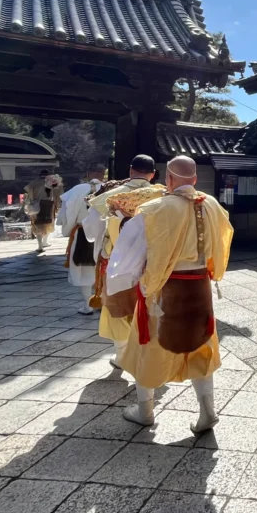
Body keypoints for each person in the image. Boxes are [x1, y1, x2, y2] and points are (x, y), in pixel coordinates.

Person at [108, 155, 232, 429]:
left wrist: (123, 284)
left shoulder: (154, 210)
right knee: (200, 345)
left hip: (164, 288)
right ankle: (207, 411)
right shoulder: (213, 205)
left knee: (148, 346)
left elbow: (129, 255)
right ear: (196, 179)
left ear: (169, 179)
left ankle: (145, 412)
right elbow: (224, 240)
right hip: (200, 287)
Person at [81, 154, 164, 368]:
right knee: (151, 307)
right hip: (152, 263)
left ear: (130, 171)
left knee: (117, 308)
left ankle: (122, 356)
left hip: (117, 263)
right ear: (152, 174)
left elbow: (91, 230)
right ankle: (150, 354)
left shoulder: (108, 196)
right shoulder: (163, 196)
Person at [58, 165, 104, 314]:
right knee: (104, 269)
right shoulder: (110, 189)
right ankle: (102, 302)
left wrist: (68, 228)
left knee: (85, 271)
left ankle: (88, 305)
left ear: (88, 173)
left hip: (83, 233)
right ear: (103, 174)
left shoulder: (77, 189)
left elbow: (66, 213)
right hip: (104, 234)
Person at [24, 170, 63, 253]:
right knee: (48, 224)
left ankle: (40, 245)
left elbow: (28, 192)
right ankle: (45, 242)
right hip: (49, 204)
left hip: (36, 205)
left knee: (37, 224)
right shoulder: (52, 181)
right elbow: (59, 191)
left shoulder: (34, 183)